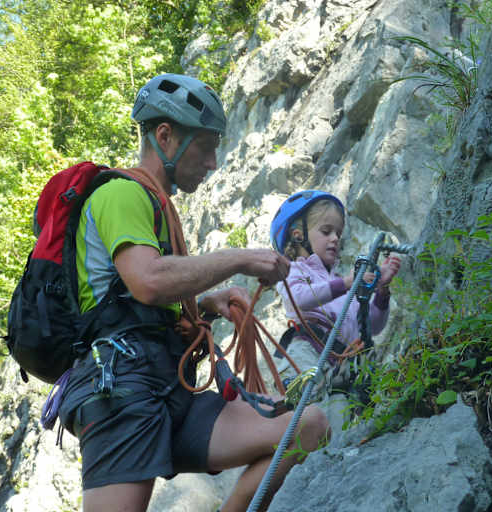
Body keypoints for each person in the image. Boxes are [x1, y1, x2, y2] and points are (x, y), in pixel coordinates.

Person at [57, 74, 329, 512]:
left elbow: (137, 300)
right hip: (121, 393)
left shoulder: (155, 206)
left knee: (306, 424)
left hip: (168, 386)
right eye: (205, 146)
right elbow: (148, 280)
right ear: (165, 136)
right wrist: (239, 258)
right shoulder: (120, 194)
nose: (213, 162)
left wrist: (205, 305)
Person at [270, 191, 402, 393]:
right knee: (309, 404)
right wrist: (346, 283)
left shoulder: (341, 283)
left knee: (335, 412)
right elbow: (299, 299)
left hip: (341, 365)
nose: (335, 238)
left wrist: (382, 291)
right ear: (298, 235)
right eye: (326, 231)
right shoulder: (293, 270)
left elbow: (372, 326)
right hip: (308, 352)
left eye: (338, 234)